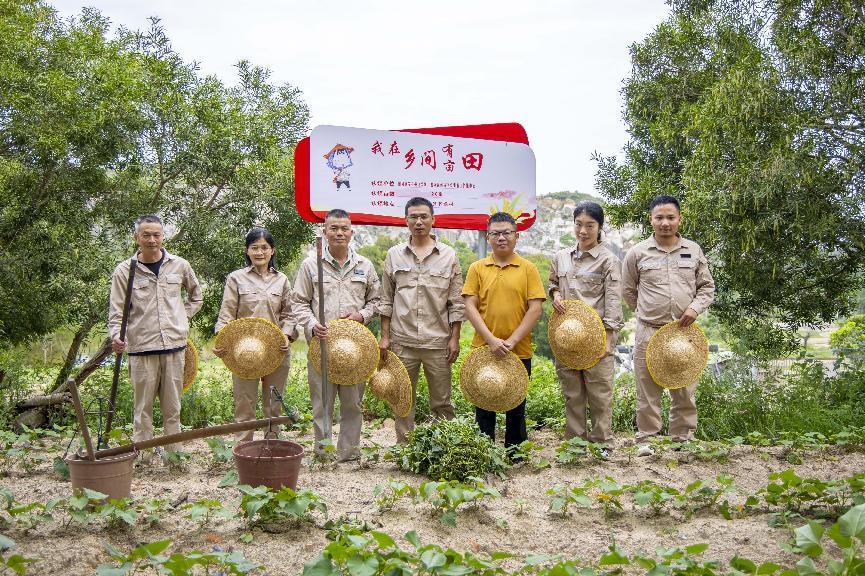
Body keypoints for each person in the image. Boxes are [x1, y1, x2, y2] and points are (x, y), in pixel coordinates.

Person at [622, 195, 715, 455]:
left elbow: (707, 287)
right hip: (649, 331)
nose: (665, 223)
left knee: (684, 388)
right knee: (647, 388)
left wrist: (694, 309)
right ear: (651, 220)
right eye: (659, 217)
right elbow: (628, 290)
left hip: (683, 332)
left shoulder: (693, 250)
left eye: (670, 217)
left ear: (679, 219)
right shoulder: (637, 252)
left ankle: (682, 438)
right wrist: (646, 312)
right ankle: (647, 440)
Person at [108, 214, 202, 457]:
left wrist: (182, 316)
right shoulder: (125, 271)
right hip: (142, 349)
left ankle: (174, 457)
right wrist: (115, 336)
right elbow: (116, 312)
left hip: (174, 348)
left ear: (163, 236)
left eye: (156, 235)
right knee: (142, 411)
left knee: (173, 409)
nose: (152, 240)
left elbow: (196, 296)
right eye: (146, 235)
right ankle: (144, 457)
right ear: (136, 238)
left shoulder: (179, 265)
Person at [292, 209, 381, 461]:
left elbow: (377, 301)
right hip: (322, 347)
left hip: (356, 350)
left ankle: (349, 453)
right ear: (325, 232)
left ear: (352, 232)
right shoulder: (311, 265)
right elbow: (298, 302)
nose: (339, 233)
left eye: (344, 228)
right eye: (334, 228)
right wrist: (312, 325)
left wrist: (362, 315)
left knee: (353, 404)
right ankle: (323, 453)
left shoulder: (365, 265)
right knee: (322, 403)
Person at [378, 197, 465, 443]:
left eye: (424, 216)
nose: (419, 222)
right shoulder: (394, 255)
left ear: (432, 220)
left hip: (438, 343)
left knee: (442, 402)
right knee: (403, 399)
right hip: (403, 342)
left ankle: (443, 448)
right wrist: (385, 337)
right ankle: (405, 449)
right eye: (413, 217)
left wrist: (455, 339)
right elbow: (386, 299)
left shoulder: (448, 256)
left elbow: (456, 302)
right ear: (406, 220)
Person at [462, 212, 545, 451]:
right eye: (496, 233)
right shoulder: (477, 268)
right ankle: (484, 452)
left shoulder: (528, 269)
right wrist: (491, 340)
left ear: (516, 236)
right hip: (484, 350)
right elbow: (469, 306)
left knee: (516, 406)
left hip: (518, 350)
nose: (501, 238)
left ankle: (515, 454)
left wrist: (512, 341)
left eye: (506, 233)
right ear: (488, 237)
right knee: (484, 403)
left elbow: (535, 309)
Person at [549, 201, 623, 456]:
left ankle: (602, 443)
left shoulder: (609, 260)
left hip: (597, 338)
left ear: (599, 227)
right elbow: (552, 283)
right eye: (579, 224)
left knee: (600, 394)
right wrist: (555, 294)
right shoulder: (561, 257)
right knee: (573, 394)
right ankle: (575, 444)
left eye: (590, 225)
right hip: (567, 337)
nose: (583, 231)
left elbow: (613, 302)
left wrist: (609, 340)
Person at [213, 228, 297, 442]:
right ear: (247, 251)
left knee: (274, 405)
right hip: (244, 351)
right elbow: (226, 313)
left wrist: (286, 335)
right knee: (244, 405)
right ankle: (243, 449)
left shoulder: (282, 280)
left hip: (276, 350)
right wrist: (221, 339)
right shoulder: (236, 278)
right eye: (255, 248)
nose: (260, 252)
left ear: (272, 251)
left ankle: (272, 447)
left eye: (264, 248)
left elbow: (289, 314)